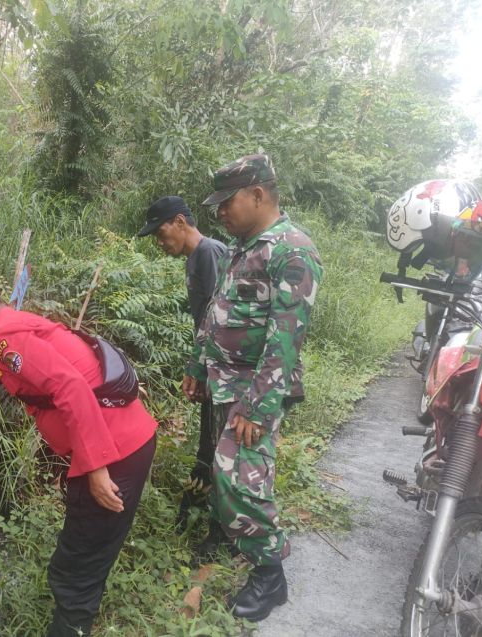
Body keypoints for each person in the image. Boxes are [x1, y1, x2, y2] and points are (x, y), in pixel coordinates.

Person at [0, 276, 158, 637]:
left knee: (75, 569)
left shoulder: (6, 340)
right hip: (124, 441)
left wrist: (96, 468)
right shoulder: (13, 329)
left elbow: (71, 387)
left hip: (112, 454)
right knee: (84, 556)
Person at [190, 154, 323, 622]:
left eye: (227, 202)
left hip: (254, 390)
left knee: (237, 475)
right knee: (233, 473)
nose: (220, 212)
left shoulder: (292, 250)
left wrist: (256, 407)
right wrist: (198, 363)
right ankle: (234, 542)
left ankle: (270, 576)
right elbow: (216, 310)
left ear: (258, 195)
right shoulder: (241, 245)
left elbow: (284, 340)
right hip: (226, 382)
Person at [136, 196, 226, 529]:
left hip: (224, 370)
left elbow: (219, 318)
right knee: (208, 443)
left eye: (161, 234)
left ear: (179, 222)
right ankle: (203, 516)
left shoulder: (208, 253)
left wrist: (200, 369)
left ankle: (218, 527)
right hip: (211, 367)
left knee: (217, 446)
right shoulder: (195, 258)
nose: (160, 243)